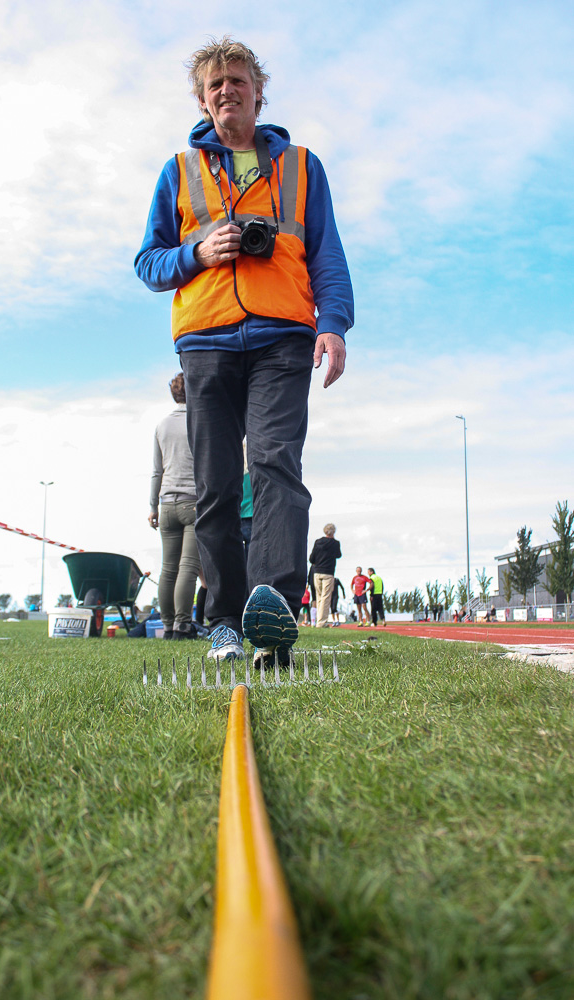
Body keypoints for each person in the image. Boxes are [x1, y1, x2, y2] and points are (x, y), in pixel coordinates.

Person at [135, 37, 354, 668]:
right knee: (217, 485)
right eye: (215, 84)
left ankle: (275, 611)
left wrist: (333, 324)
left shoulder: (302, 166)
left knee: (276, 464)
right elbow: (147, 263)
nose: (227, 89)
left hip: (283, 338)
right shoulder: (178, 171)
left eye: (238, 79)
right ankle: (224, 620)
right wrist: (196, 253)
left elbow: (327, 255)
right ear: (202, 100)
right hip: (205, 342)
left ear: (259, 92)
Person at [148, 374, 201, 640]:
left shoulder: (162, 425)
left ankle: (166, 626)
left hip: (166, 503)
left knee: (168, 567)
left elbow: (156, 471)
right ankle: (183, 626)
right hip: (193, 502)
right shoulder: (199, 421)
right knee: (188, 566)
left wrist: (152, 506)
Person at [309, 524, 342, 627]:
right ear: (333, 532)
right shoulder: (335, 543)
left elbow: (311, 559)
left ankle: (318, 621)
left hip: (317, 572)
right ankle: (321, 622)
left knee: (319, 597)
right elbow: (338, 555)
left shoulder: (318, 542)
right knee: (325, 597)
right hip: (328, 572)